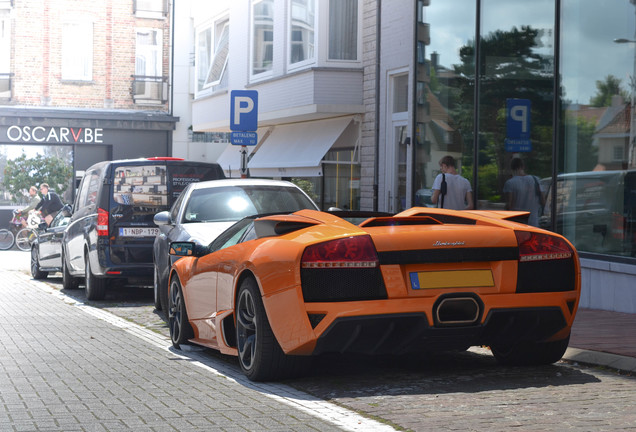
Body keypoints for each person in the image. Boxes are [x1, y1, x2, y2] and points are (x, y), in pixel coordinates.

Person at [503, 157, 546, 227]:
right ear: (523, 166)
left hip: (517, 222)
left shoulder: (510, 183)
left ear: (512, 168)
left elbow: (509, 205)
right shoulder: (536, 180)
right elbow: (543, 201)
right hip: (533, 221)